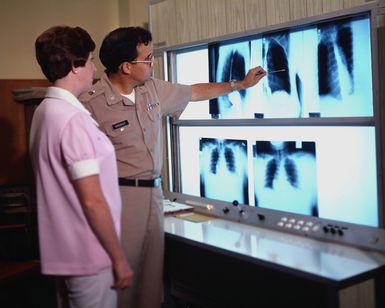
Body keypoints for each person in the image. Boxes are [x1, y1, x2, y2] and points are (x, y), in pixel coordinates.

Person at [80, 26, 266, 308]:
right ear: (126, 66)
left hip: (155, 196)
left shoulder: (152, 88)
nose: (152, 63)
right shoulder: (91, 105)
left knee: (152, 281)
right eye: (147, 58)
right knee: (123, 280)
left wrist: (238, 84)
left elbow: (194, 92)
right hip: (120, 198)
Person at [30, 25, 133, 308]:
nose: (94, 68)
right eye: (89, 61)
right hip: (89, 255)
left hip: (63, 252)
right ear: (75, 67)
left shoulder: (44, 111)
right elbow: (92, 201)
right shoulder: (73, 120)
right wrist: (119, 259)